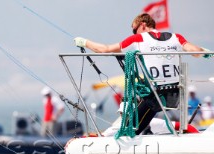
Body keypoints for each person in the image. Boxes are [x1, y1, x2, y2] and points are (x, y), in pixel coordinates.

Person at [74, 13, 211, 135]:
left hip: (155, 96)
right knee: (140, 119)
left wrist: (85, 42)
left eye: (134, 29)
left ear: (143, 25)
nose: (134, 33)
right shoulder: (176, 37)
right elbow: (196, 52)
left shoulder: (138, 39)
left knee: (129, 128)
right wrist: (204, 51)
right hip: (175, 94)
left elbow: (104, 49)